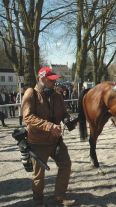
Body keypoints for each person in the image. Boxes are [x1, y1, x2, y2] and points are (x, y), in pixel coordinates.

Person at [21, 66, 76, 206]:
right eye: (51, 80)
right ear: (42, 79)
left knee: (66, 164)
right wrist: (49, 126)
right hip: (38, 143)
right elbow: (28, 117)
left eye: (54, 80)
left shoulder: (57, 95)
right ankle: (38, 202)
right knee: (38, 176)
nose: (54, 83)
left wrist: (67, 120)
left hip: (56, 141)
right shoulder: (31, 93)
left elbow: (64, 113)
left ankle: (59, 196)